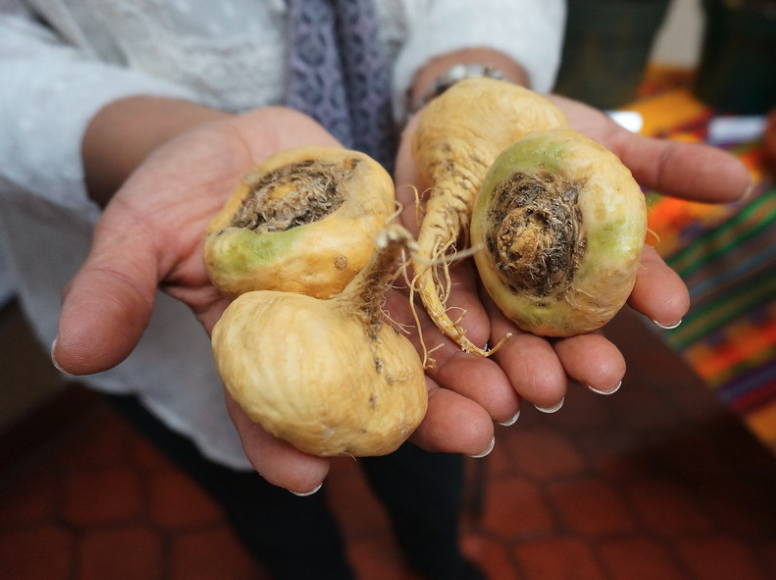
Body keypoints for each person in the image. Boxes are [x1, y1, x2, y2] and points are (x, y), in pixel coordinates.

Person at [0, 1, 752, 579]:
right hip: (180, 256)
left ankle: (437, 558)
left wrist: (465, 80)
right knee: (273, 507)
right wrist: (144, 138)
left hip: (406, 277)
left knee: (430, 460)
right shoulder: (254, 280)